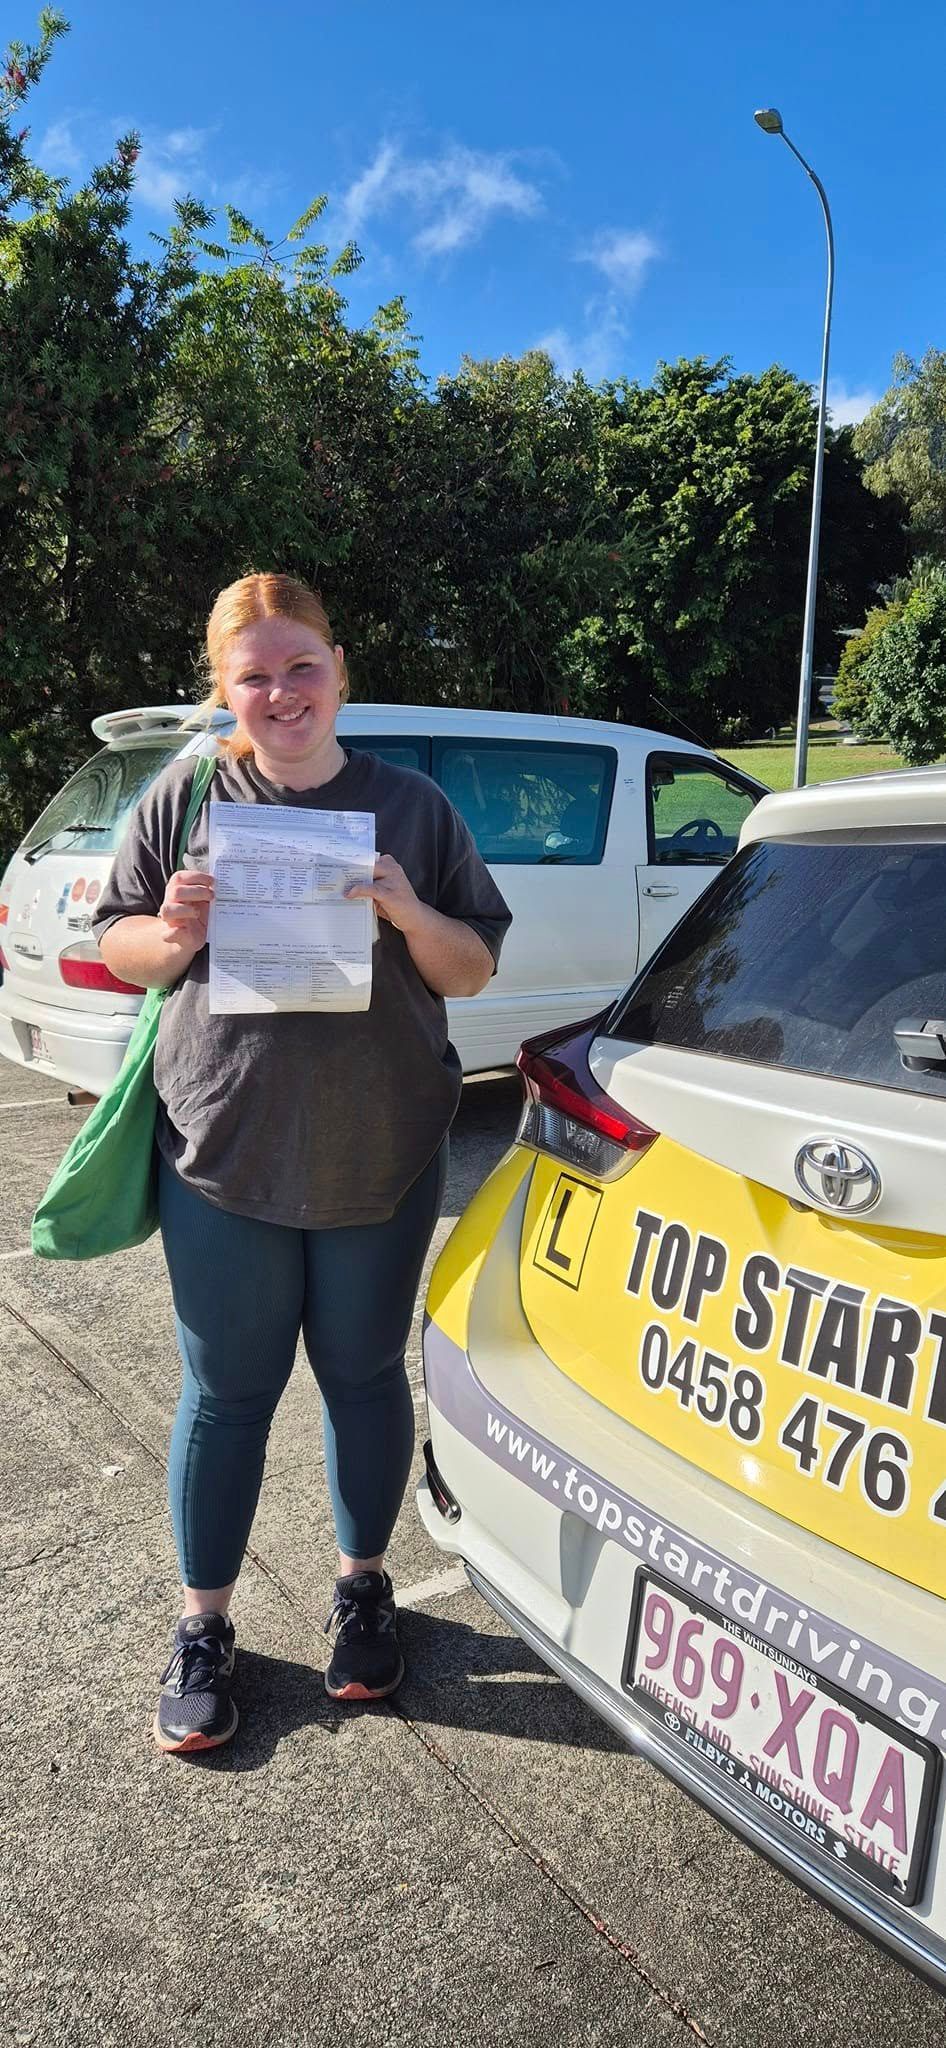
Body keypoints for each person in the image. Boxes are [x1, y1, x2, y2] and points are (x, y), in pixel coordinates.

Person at [92, 572, 512, 1755]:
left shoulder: (412, 805)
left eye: (300, 666)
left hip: (380, 1152)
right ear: (224, 691)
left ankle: (363, 1587)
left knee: (365, 1375)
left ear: (339, 669)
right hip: (222, 1147)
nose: (280, 693)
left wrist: (407, 910)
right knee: (226, 1393)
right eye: (252, 676)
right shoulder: (188, 794)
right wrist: (170, 932)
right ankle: (203, 1625)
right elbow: (120, 943)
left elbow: (471, 967)